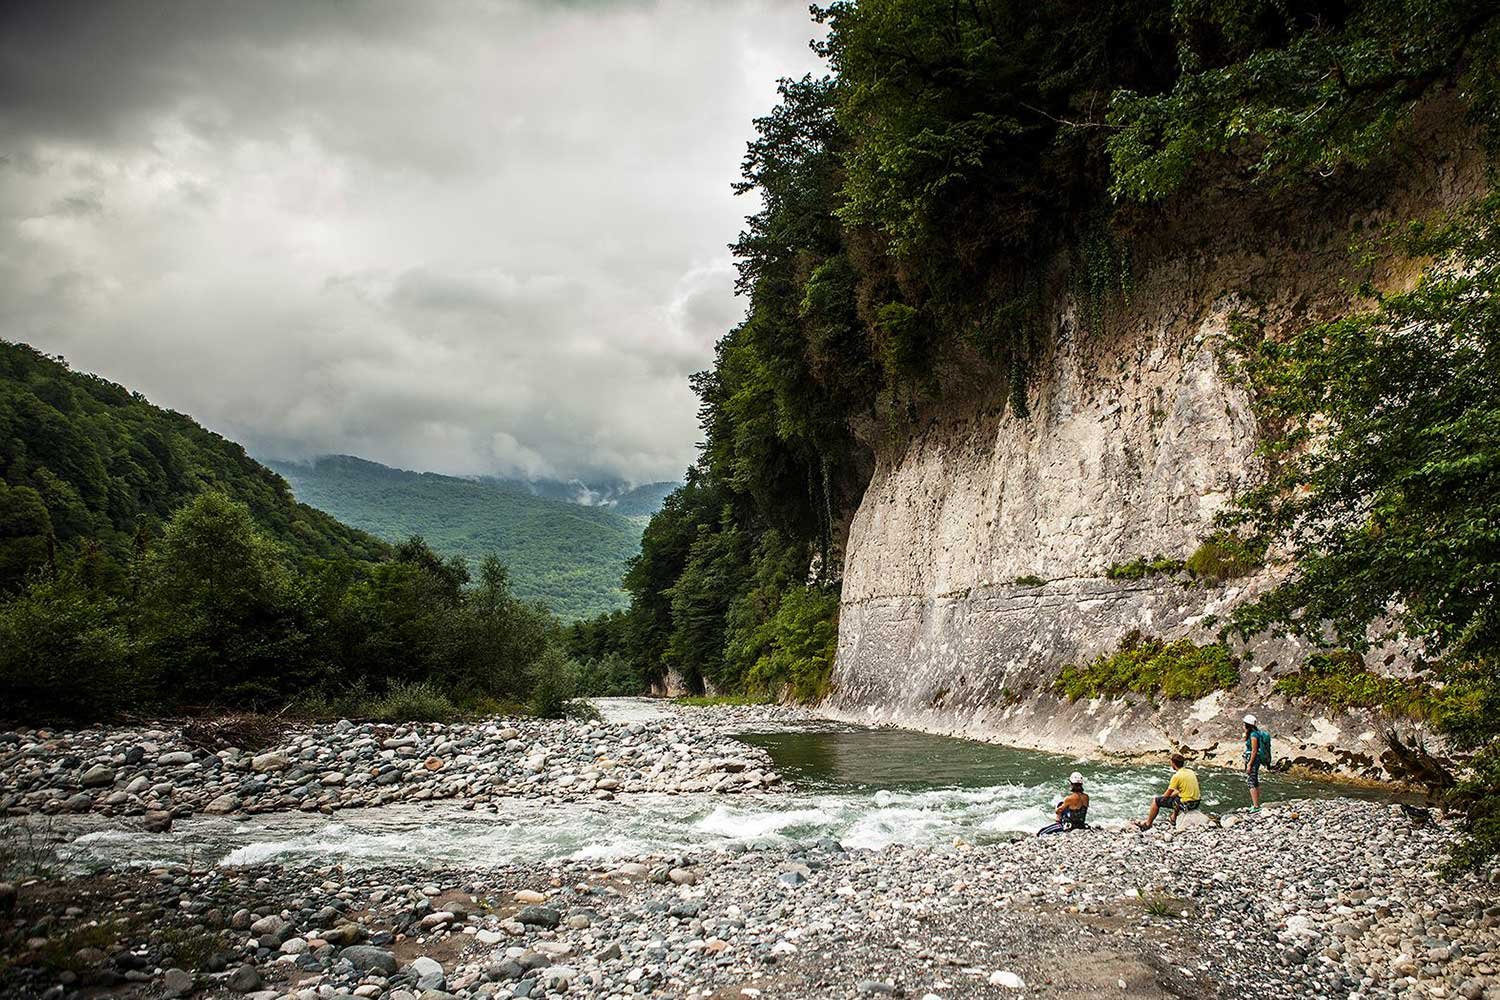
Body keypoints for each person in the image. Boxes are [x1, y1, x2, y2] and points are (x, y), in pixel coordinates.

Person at [1134, 753, 1200, 829]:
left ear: (1173, 763)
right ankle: (1173, 818)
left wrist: (1161, 798)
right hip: (1196, 803)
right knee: (1178, 797)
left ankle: (1148, 823)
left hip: (1186, 805)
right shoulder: (1190, 772)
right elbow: (1180, 791)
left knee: (1156, 801)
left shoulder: (1176, 776)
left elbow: (1166, 796)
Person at [1037, 771, 1090, 836]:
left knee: (1041, 832)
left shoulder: (1069, 798)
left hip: (1069, 826)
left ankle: (1058, 823)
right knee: (1063, 804)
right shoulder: (1086, 797)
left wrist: (1058, 812)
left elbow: (1058, 811)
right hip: (1081, 824)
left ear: (1071, 784)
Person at [1243, 714, 1271, 810]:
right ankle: (1256, 804)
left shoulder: (1253, 735)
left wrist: (1249, 764)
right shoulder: (1256, 733)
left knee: (1251, 781)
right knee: (1255, 780)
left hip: (1253, 759)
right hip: (1256, 759)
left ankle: (1255, 806)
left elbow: (1254, 750)